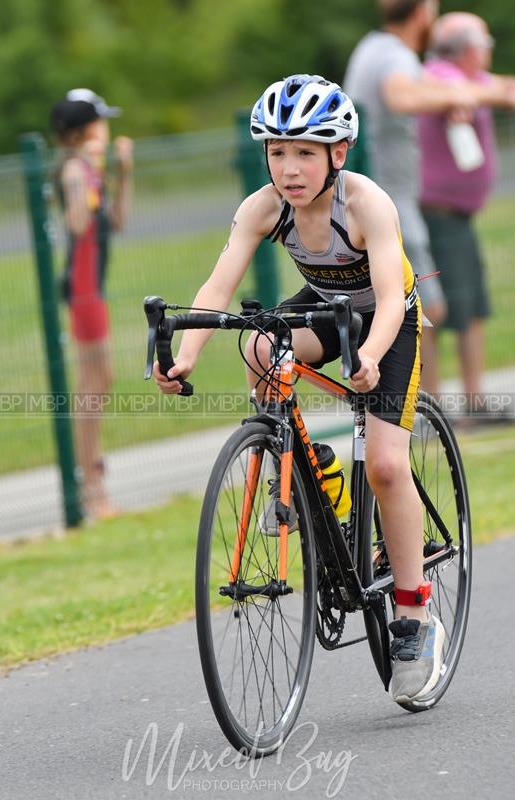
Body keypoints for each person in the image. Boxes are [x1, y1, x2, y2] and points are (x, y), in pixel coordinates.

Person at [154, 74, 444, 706]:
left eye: (305, 152)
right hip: (326, 306)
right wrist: (185, 354)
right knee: (259, 345)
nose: (289, 168)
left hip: (385, 323)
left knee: (390, 467)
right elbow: (217, 289)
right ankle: (297, 470)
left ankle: (415, 615)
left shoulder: (366, 204)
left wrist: (366, 357)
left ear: (338, 154)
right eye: (277, 151)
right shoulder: (264, 206)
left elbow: (393, 299)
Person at [343, 0, 515, 392]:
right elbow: (403, 96)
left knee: (414, 309)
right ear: (423, 13)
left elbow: (425, 87)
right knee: (421, 310)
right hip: (388, 201)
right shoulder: (396, 57)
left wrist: (460, 94)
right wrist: (453, 97)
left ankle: (422, 410)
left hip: (381, 198)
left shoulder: (375, 47)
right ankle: (422, 411)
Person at [418, 12, 514, 410]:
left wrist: (474, 96)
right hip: (439, 214)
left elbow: (504, 89)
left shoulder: (467, 82)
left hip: (457, 214)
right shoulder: (440, 75)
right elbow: (467, 91)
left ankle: (473, 402)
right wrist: (466, 96)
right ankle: (436, 408)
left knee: (471, 307)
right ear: (469, 49)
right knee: (438, 311)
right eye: (485, 44)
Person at [50, 89, 133, 520]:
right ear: (84, 130)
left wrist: (122, 173)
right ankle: (90, 487)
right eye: (100, 122)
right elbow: (79, 223)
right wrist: (87, 171)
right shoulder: (72, 172)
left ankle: (94, 479)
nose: (107, 129)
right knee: (92, 384)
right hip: (82, 287)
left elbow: (117, 221)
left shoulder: (91, 168)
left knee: (102, 379)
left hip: (94, 286)